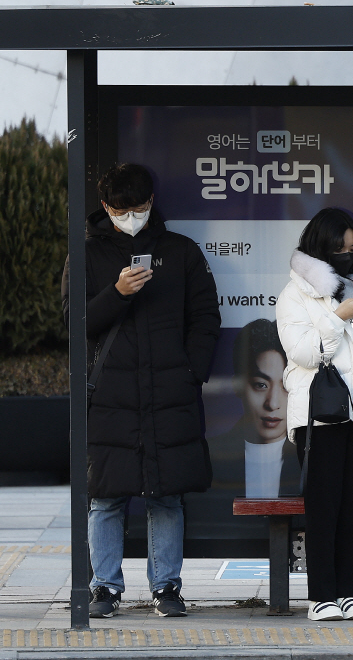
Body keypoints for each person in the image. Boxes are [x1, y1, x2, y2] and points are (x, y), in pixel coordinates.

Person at [63, 163, 221, 619]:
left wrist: (192, 370)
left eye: (139, 207)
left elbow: (205, 317)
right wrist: (117, 292)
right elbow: (77, 327)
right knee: (107, 495)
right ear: (106, 207)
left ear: (151, 203)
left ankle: (166, 586)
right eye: (120, 209)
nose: (130, 216)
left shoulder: (180, 252)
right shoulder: (86, 254)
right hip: (112, 393)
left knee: (166, 493)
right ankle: (104, 588)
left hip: (170, 390)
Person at [275, 208, 353, 622]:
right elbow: (306, 352)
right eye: (338, 249)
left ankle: (352, 594)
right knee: (323, 507)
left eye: (352, 249)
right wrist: (337, 317)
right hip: (319, 417)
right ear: (319, 249)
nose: (347, 256)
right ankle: (321, 596)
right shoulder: (295, 295)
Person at [207, 319, 298, 499]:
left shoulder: (311, 459)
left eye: (286, 386)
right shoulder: (212, 457)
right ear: (238, 386)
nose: (272, 403)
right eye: (261, 385)